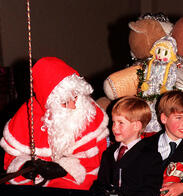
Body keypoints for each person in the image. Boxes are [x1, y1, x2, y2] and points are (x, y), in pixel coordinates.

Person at [0, 56, 109, 189]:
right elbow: (11, 160)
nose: (73, 106)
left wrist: (63, 168)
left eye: (75, 97)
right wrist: (25, 166)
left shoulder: (88, 112)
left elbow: (95, 162)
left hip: (77, 191)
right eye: (65, 102)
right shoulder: (27, 115)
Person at [96, 96, 163, 196]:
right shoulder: (109, 153)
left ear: (137, 126)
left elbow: (150, 190)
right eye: (113, 122)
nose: (114, 128)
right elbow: (101, 183)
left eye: (120, 123)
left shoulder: (150, 156)